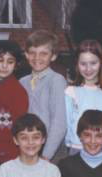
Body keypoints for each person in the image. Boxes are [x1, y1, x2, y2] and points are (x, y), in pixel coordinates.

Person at [59, 39, 102, 156]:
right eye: (83, 64)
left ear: (101, 63)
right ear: (77, 65)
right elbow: (67, 125)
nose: (88, 69)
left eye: (93, 63)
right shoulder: (70, 92)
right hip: (77, 149)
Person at [20, 30, 68, 161]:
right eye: (32, 53)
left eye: (43, 54)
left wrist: (46, 155)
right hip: (28, 146)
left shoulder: (57, 81)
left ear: (53, 56)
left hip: (51, 149)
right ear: (26, 54)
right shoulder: (22, 82)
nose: (37, 58)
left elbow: (59, 122)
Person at [0, 40, 29, 166]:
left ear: (16, 65)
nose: (4, 66)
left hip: (9, 157)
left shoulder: (18, 91)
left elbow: (19, 127)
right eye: (0, 60)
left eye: (10, 62)